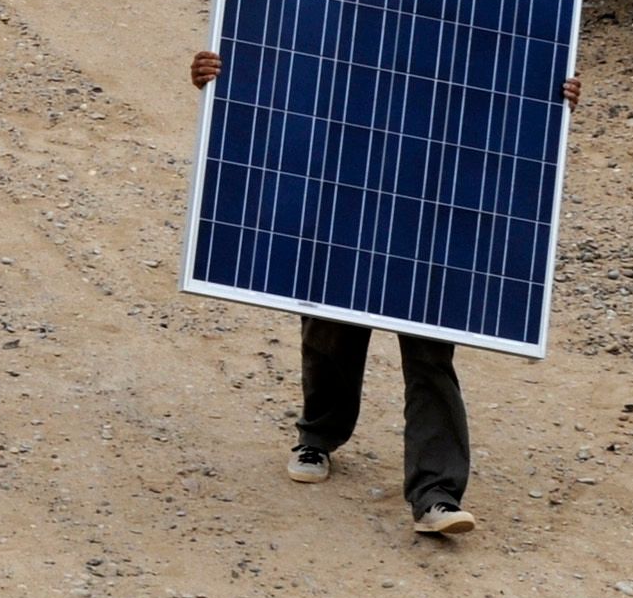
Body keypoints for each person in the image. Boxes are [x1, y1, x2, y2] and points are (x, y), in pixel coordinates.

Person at [190, 49, 579, 538]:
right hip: (346, 179)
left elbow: (498, 78)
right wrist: (227, 78)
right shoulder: (345, 4)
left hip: (434, 194)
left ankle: (437, 493)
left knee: (429, 351)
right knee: (331, 324)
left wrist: (548, 98)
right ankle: (318, 434)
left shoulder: (465, 14)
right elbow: (284, 64)